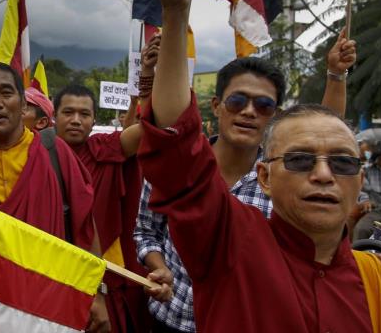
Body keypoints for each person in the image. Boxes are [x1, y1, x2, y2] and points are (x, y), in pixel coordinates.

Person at [135, 0, 381, 332]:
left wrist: (335, 76)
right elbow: (175, 149)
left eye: (344, 164)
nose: (324, 175)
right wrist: (175, 13)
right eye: (298, 160)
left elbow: (324, 129)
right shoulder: (235, 243)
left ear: (360, 179)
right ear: (266, 177)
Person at [135, 28, 355, 333]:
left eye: (263, 106)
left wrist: (335, 76)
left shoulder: (283, 179)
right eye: (238, 101)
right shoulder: (180, 169)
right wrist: (158, 267)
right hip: (170, 319)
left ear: (274, 115)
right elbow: (145, 231)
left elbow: (322, 142)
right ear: (216, 106)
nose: (249, 112)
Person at [0, 62, 107, 333]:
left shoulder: (54, 152)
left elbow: (84, 224)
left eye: (6, 93)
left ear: (23, 105)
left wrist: (97, 292)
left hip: (40, 302)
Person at [55, 34, 160, 333]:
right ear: (54, 116)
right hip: (48, 269)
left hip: (102, 275)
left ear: (93, 120)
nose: (76, 120)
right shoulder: (34, 154)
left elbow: (150, 130)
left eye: (84, 114)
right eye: (68, 112)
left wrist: (149, 77)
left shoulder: (104, 149)